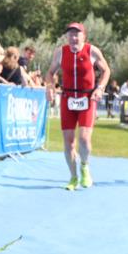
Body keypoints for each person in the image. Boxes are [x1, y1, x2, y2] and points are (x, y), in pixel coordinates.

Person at [46, 22, 111, 191]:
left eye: (77, 34)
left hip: (87, 98)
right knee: (68, 142)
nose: (74, 38)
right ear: (67, 37)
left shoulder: (92, 51)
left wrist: (100, 87)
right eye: (70, 34)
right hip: (68, 99)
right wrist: (50, 87)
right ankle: (73, 177)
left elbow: (106, 71)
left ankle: (84, 165)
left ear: (84, 36)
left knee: (84, 138)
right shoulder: (61, 52)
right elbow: (50, 73)